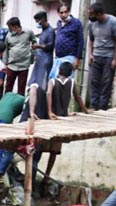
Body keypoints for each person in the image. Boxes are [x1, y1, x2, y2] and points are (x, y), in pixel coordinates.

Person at [34, 61, 90, 190]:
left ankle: (37, 174)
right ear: (70, 72)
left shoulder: (53, 81)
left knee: (40, 148)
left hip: (50, 120)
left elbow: (48, 93)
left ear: (59, 70)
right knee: (54, 151)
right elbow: (78, 98)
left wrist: (49, 111)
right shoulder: (72, 83)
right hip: (62, 119)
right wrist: (86, 110)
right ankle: (46, 176)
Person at [88, 3, 116, 110]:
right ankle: (94, 105)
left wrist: (115, 59)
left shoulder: (113, 21)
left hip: (109, 55)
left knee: (106, 82)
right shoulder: (91, 24)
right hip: (96, 55)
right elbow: (91, 40)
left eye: (92, 14)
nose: (91, 17)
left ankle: (103, 107)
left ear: (99, 14)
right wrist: (90, 54)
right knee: (94, 81)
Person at [51, 3, 84, 80]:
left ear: (69, 12)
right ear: (58, 13)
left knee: (66, 81)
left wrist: (77, 59)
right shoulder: (59, 23)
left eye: (66, 12)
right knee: (54, 80)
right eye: (61, 13)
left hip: (70, 56)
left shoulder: (76, 22)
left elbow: (80, 41)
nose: (64, 14)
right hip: (58, 57)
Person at [4, 17, 36, 95]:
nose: (9, 30)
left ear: (15, 27)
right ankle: (6, 103)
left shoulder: (28, 32)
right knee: (8, 86)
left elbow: (34, 43)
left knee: (21, 87)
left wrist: (32, 56)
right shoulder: (8, 36)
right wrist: (5, 63)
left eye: (10, 28)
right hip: (12, 65)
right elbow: (6, 49)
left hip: (24, 65)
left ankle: (19, 105)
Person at [29, 11, 56, 89]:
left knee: (43, 82)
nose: (37, 24)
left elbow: (50, 47)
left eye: (38, 21)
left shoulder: (50, 31)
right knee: (36, 80)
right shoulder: (43, 30)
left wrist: (38, 46)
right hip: (40, 59)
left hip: (46, 60)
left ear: (43, 20)